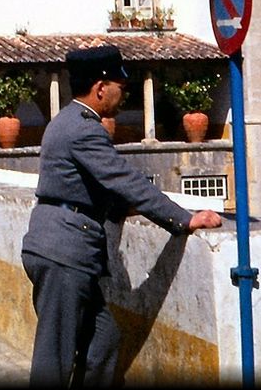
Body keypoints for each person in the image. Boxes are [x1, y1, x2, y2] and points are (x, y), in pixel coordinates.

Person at [21, 44, 222, 387]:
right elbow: (124, 180)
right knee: (53, 360)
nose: (122, 92)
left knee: (104, 341)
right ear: (101, 88)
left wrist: (122, 208)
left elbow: (89, 187)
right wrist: (183, 219)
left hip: (60, 247)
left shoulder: (65, 121)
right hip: (65, 254)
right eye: (119, 85)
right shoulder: (85, 129)